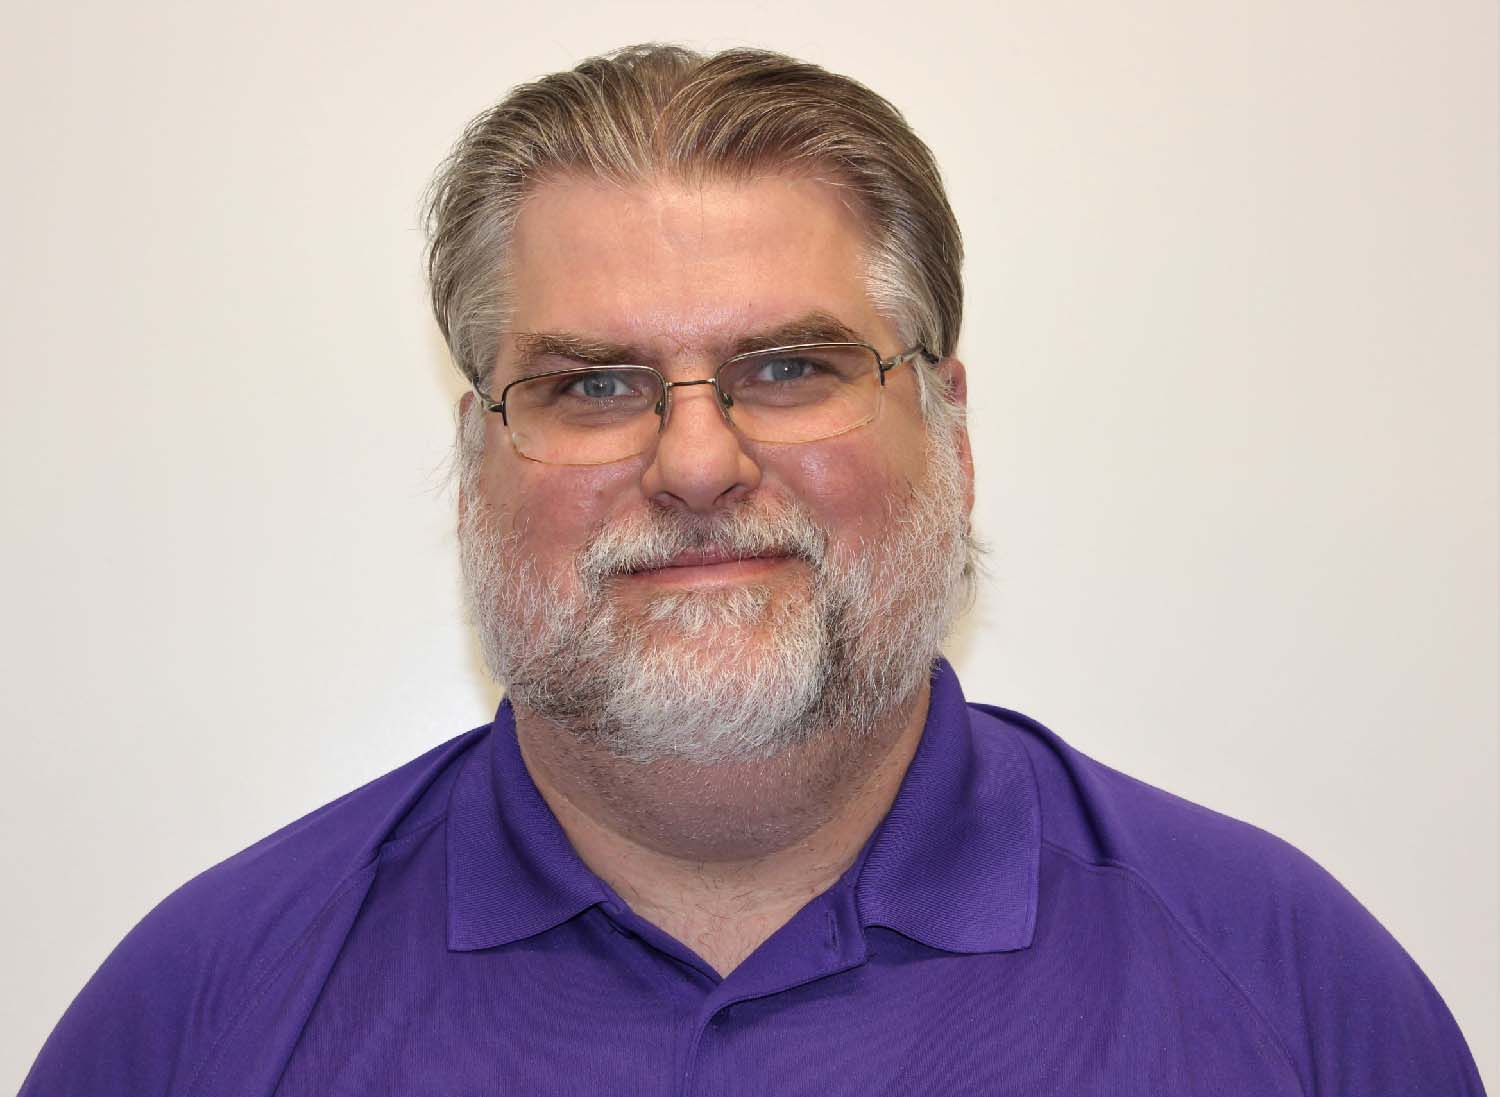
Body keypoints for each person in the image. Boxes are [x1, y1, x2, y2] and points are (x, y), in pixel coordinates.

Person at [21, 43, 1484, 1097]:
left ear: (951, 430)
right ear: (477, 457)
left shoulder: (1285, 986)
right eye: (594, 385)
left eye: (789, 367)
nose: (698, 462)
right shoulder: (204, 1012)